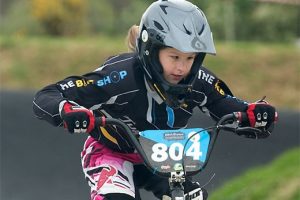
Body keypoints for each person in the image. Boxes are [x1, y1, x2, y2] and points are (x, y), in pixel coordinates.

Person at [32, 0, 278, 200]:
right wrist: (68, 110)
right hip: (111, 153)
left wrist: (254, 113)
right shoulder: (120, 76)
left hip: (165, 158)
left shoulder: (200, 81)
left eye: (190, 58)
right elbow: (48, 95)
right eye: (174, 56)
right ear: (151, 49)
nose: (182, 68)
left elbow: (228, 106)